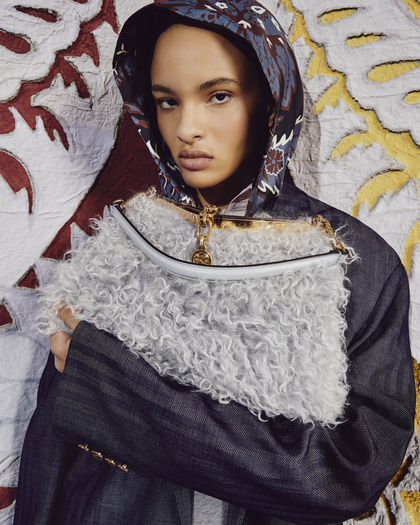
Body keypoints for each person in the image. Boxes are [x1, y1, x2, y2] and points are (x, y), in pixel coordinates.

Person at [13, 1, 415, 524]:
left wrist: (116, 388)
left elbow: (341, 480)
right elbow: (50, 451)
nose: (187, 128)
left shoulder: (349, 263)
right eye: (167, 101)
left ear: (271, 100)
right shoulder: (121, 242)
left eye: (218, 96)